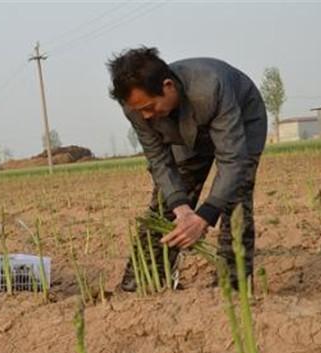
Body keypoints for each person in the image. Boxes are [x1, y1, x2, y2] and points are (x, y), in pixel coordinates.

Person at [107, 46, 268, 291]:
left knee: (236, 197)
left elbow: (232, 159)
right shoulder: (137, 107)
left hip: (241, 122)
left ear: (168, 86)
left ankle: (233, 287)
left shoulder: (211, 87)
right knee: (165, 205)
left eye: (150, 107)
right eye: (140, 111)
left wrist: (204, 216)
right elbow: (159, 160)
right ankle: (142, 282)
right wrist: (181, 208)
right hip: (181, 128)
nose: (147, 116)